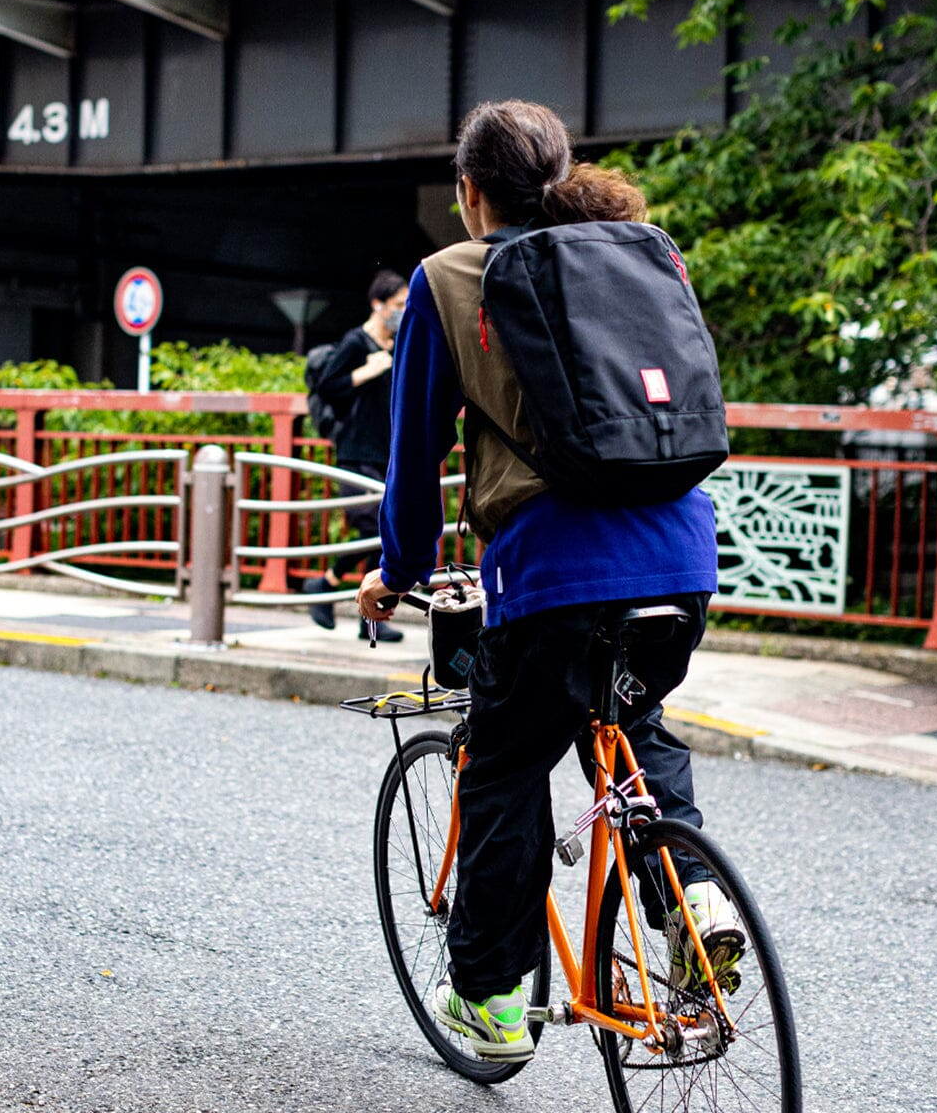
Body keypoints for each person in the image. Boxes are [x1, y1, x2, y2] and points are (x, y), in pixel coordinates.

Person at [356, 100, 739, 1062]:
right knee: (637, 725)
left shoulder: (449, 278)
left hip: (555, 571)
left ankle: (490, 1003)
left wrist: (395, 575)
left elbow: (414, 466)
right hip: (684, 560)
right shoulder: (633, 255)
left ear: (469, 193)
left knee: (504, 764)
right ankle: (692, 898)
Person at [304, 269, 409, 641]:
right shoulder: (355, 343)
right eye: (397, 305)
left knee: (381, 530)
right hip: (355, 450)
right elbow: (329, 386)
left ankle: (357, 609)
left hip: (385, 451)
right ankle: (334, 590)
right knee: (377, 530)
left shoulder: (398, 345)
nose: (402, 311)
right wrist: (365, 372)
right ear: (378, 305)